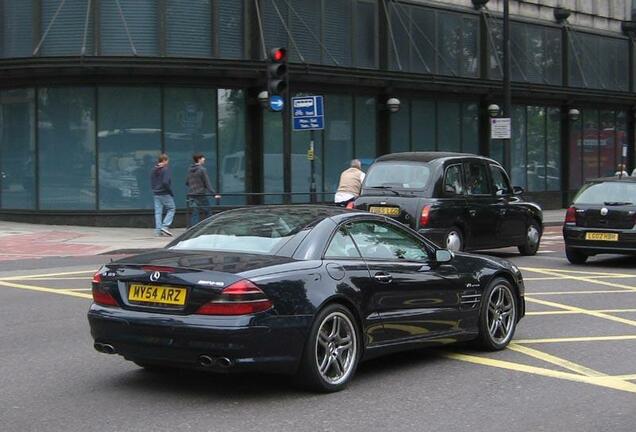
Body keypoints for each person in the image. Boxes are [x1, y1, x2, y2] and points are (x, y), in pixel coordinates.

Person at [186, 153, 217, 226]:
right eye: (203, 158)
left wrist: (193, 186)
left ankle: (193, 229)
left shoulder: (190, 169)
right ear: (199, 159)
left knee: (195, 212)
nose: (204, 159)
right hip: (200, 194)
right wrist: (214, 194)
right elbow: (207, 183)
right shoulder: (202, 169)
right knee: (208, 211)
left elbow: (187, 182)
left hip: (192, 194)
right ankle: (210, 227)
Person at [150, 153, 175, 237]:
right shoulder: (165, 169)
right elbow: (165, 182)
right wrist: (170, 191)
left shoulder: (153, 169)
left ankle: (158, 231)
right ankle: (165, 226)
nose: (168, 162)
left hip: (156, 193)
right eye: (167, 161)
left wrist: (154, 189)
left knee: (158, 212)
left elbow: (152, 181)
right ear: (164, 160)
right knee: (172, 208)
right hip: (164, 192)